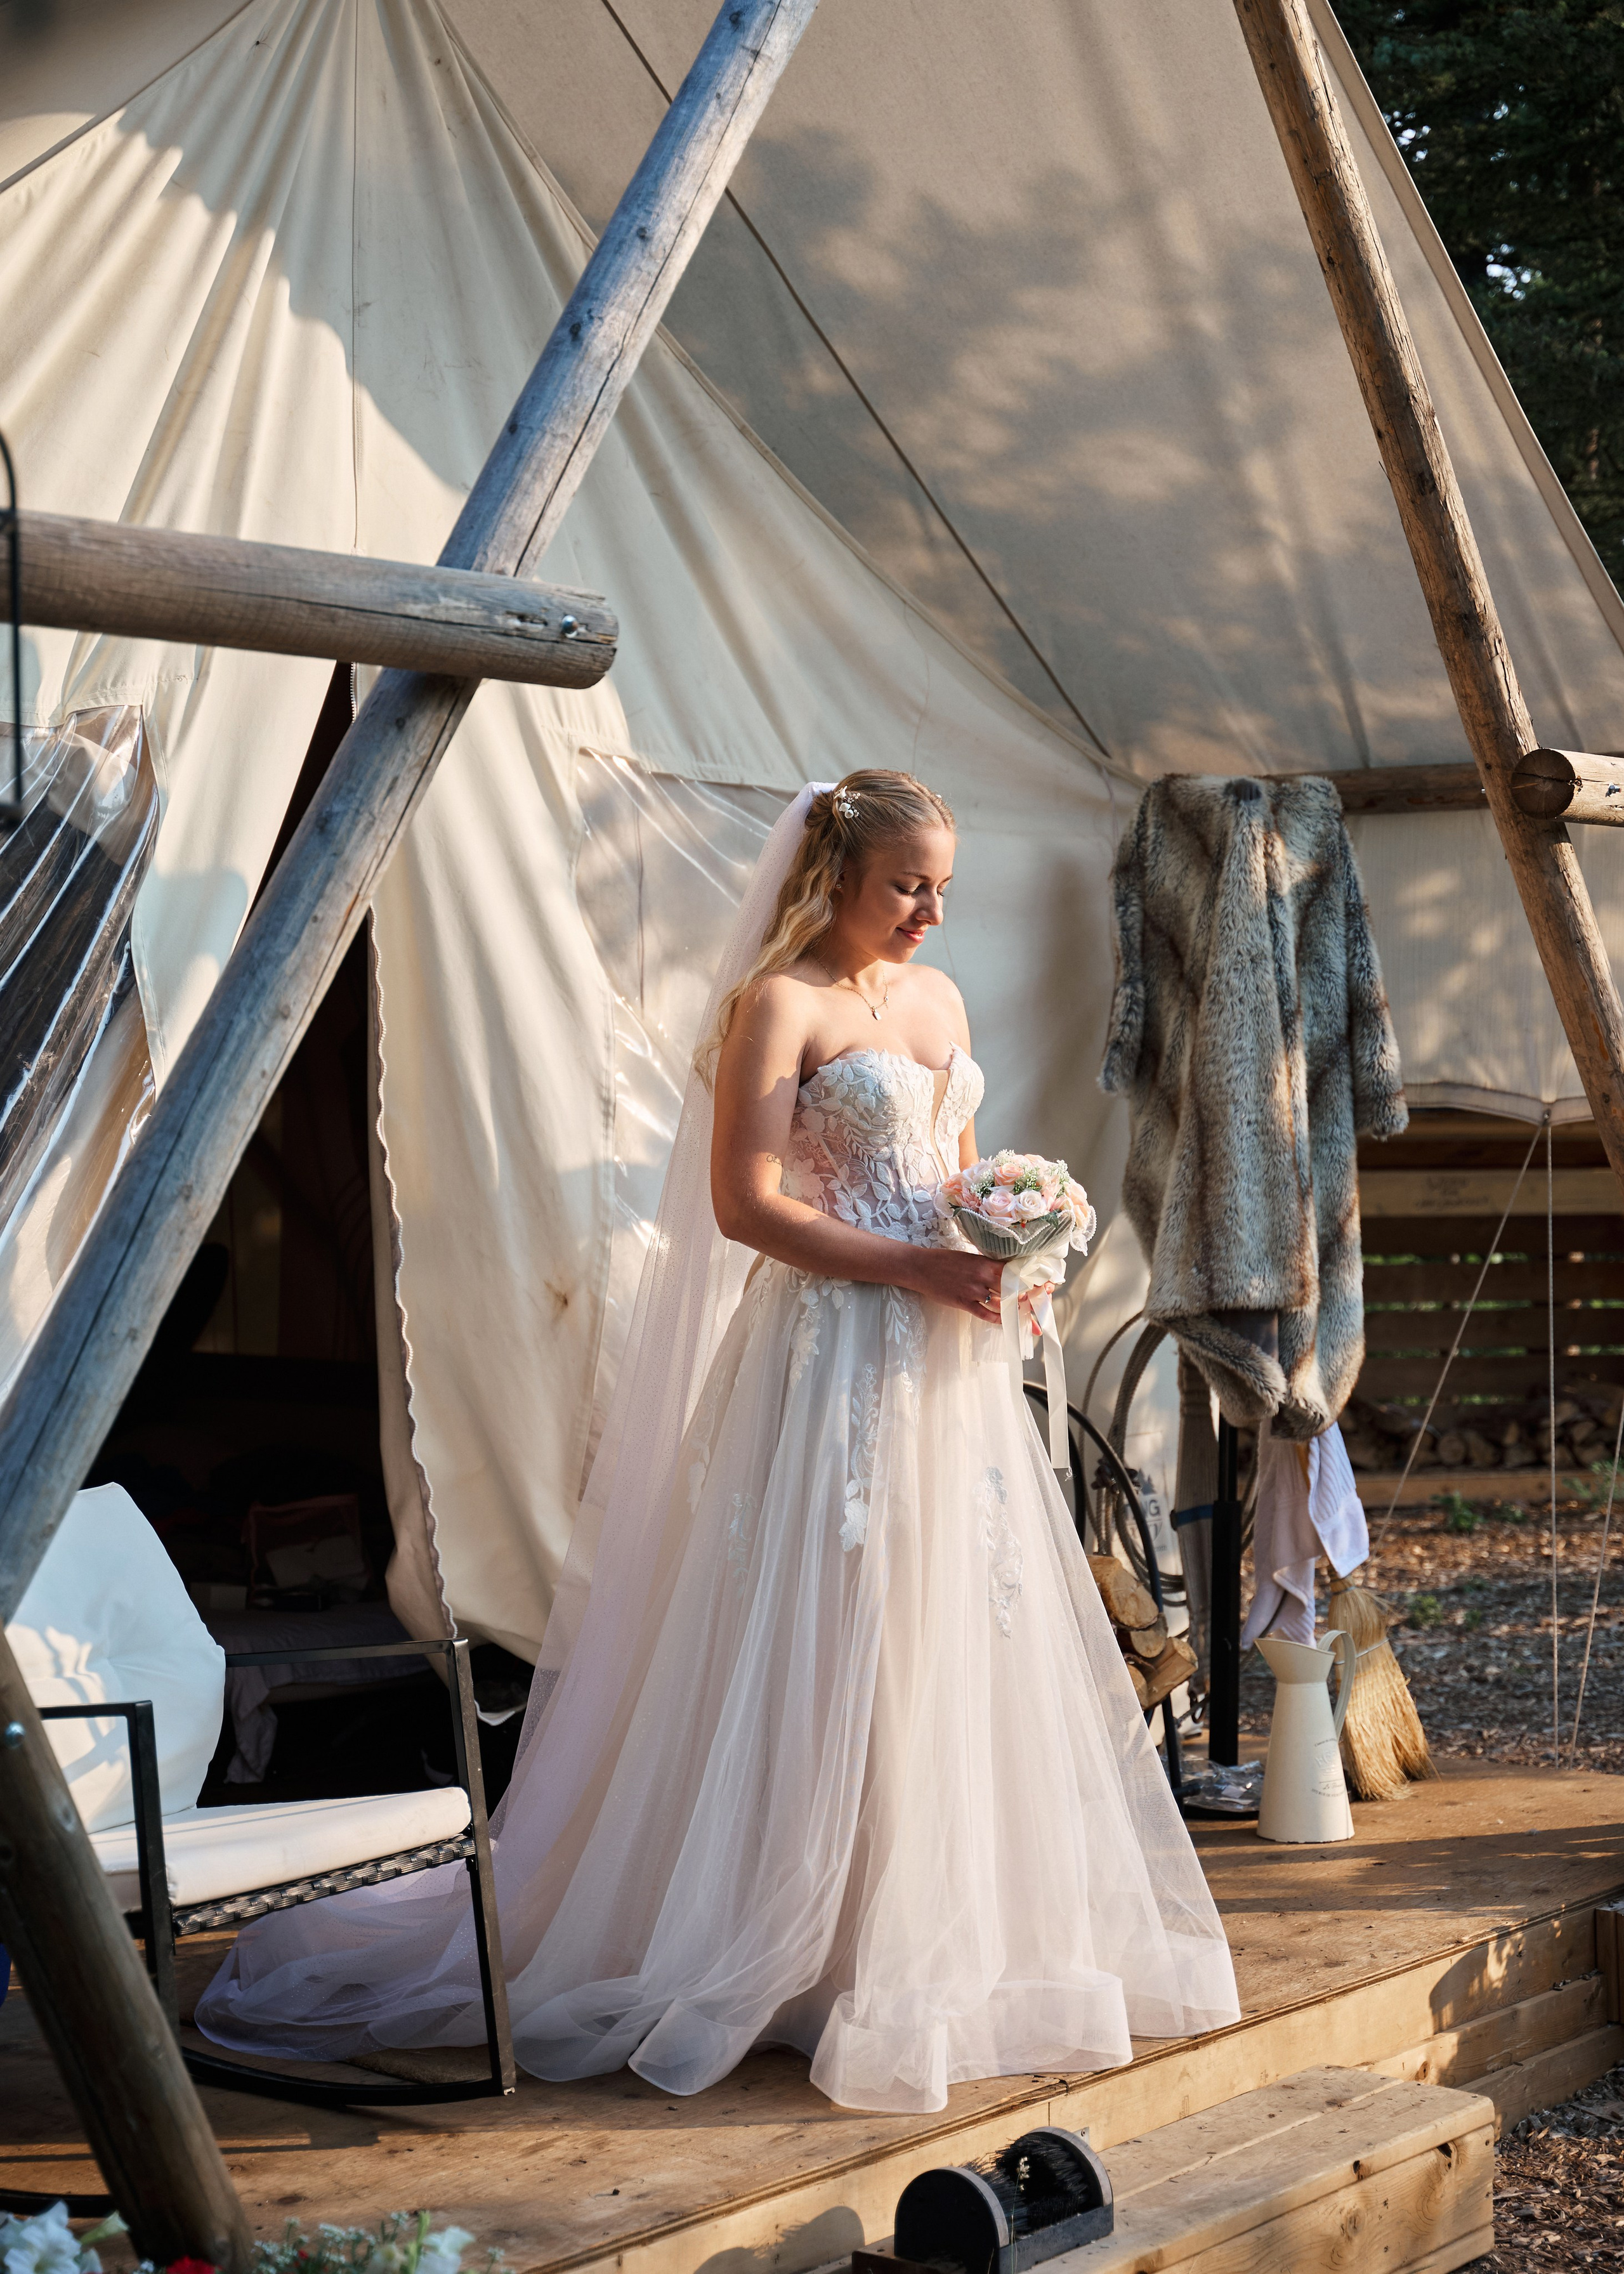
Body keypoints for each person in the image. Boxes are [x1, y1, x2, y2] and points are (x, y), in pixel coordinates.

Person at [198, 771, 1238, 2114]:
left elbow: (960, 1167)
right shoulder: (776, 1005)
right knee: (829, 1619)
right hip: (826, 1356)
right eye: (905, 884)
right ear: (833, 876)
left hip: (948, 1364)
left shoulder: (937, 1000)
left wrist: (1007, 1251)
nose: (929, 909)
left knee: (944, 1623)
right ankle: (790, 1940)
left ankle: (920, 1924)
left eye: (939, 885)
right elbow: (743, 1204)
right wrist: (912, 1268)